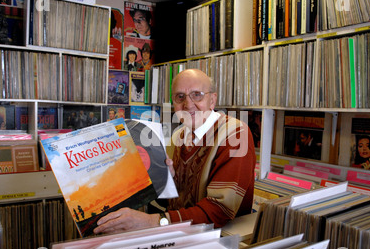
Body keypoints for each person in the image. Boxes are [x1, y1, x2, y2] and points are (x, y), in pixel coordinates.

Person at [94, 69, 256, 234]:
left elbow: (219, 211)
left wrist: (152, 221)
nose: (188, 104)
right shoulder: (178, 135)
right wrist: (165, 182)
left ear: (212, 100)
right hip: (180, 236)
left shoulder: (235, 134)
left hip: (222, 242)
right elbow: (171, 203)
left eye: (197, 95)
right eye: (180, 97)